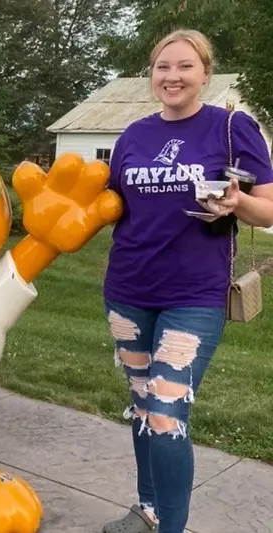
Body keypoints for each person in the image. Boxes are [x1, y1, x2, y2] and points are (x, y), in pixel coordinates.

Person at [101, 29, 273, 533]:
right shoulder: (132, 136)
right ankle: (148, 510)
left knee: (166, 411)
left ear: (205, 74)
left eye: (184, 66)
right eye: (162, 67)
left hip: (194, 296)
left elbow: (268, 209)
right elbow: (112, 208)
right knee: (141, 406)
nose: (172, 76)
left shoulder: (231, 127)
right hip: (128, 291)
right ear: (151, 75)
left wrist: (238, 203)